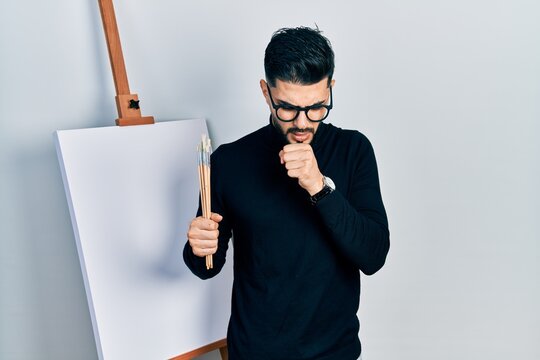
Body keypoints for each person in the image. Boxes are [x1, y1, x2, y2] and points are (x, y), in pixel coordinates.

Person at [183, 26, 389, 360]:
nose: (303, 123)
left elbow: (374, 255)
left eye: (317, 107)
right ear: (266, 93)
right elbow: (207, 266)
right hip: (254, 351)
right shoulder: (230, 161)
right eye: (288, 108)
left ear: (330, 89)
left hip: (334, 352)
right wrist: (197, 246)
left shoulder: (354, 150)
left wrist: (319, 186)